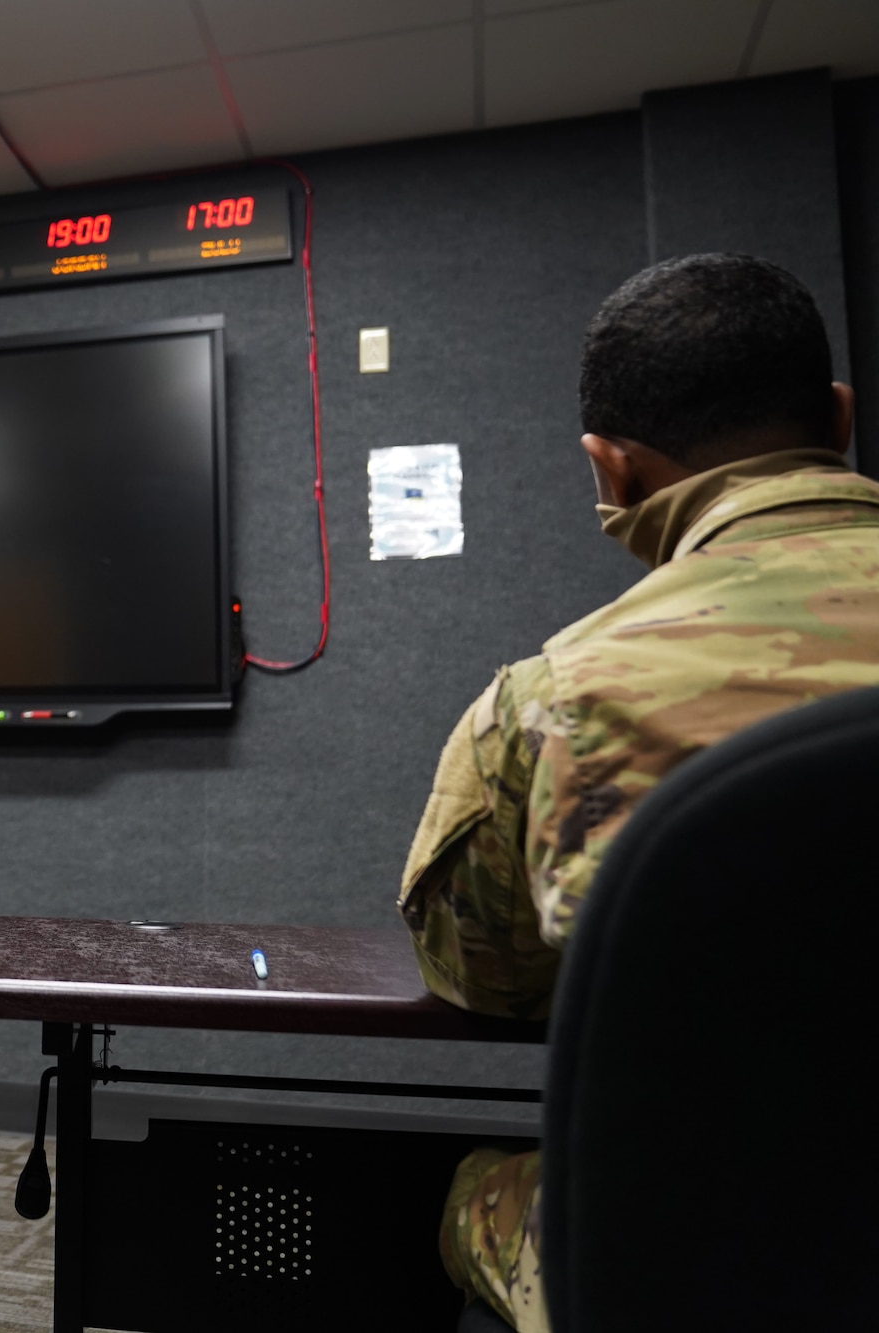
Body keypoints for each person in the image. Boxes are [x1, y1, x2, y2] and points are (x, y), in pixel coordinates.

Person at [397, 252, 879, 1332]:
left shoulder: (555, 694)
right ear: (837, 417)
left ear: (608, 470)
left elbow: (482, 977)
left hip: (724, 1260)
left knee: (478, 1190)